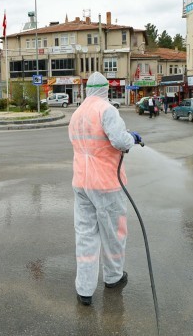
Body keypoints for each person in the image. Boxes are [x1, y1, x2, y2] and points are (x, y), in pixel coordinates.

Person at [68, 71, 142, 306]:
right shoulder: (106, 110)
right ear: (105, 90)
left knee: (85, 236)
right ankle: (113, 277)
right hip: (107, 184)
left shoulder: (77, 113)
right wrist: (132, 138)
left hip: (81, 183)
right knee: (113, 234)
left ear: (88, 89)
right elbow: (120, 141)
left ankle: (84, 289)